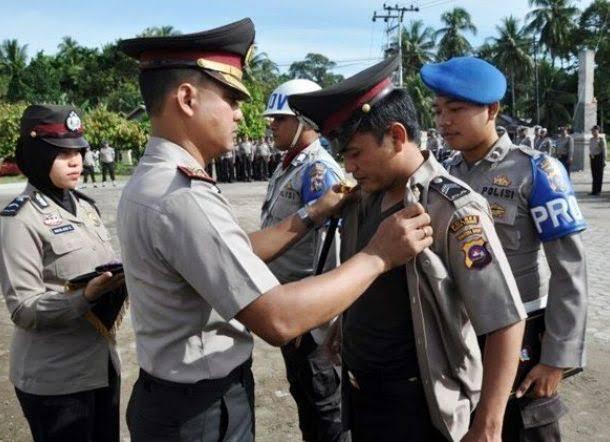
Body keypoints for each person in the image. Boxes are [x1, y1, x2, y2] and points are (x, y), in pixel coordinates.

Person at [117, 19, 434, 442]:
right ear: (187, 98)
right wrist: (377, 256)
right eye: (230, 98)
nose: (239, 113)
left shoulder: (159, 180)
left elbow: (234, 253)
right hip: (197, 411)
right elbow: (277, 319)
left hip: (179, 401)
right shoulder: (181, 195)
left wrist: (312, 214)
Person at [289, 55, 526, 442]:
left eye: (355, 152)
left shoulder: (451, 208)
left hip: (420, 406)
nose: (349, 167)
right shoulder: (363, 199)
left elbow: (504, 319)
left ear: (397, 136)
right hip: (361, 395)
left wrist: (488, 424)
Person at [422, 56, 588, 441]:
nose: (444, 120)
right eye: (439, 110)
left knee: (527, 431)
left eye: (457, 109)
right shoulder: (446, 174)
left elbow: (570, 271)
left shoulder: (536, 171)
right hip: (460, 336)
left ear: (492, 110)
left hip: (522, 338)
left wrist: (556, 359)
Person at [0, 104, 125, 441]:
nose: (76, 161)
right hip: (56, 380)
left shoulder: (85, 207)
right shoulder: (19, 220)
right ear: (38, 155)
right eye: (62, 153)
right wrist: (84, 297)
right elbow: (24, 308)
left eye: (78, 151)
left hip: (100, 367)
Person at [261, 78, 346, 441]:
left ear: (304, 122)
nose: (271, 126)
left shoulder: (319, 172)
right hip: (292, 308)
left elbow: (332, 253)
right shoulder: (290, 165)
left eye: (279, 119)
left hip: (310, 318)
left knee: (325, 407)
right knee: (306, 399)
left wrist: (319, 322)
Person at [589, 125, 606, 195]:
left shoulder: (601, 139)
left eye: (594, 131)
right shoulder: (591, 139)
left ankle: (598, 191)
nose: (592, 132)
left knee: (599, 175)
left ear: (597, 131)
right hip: (592, 157)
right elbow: (590, 148)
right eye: (592, 131)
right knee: (594, 174)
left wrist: (604, 160)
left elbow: (604, 150)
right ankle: (594, 190)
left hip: (599, 157)